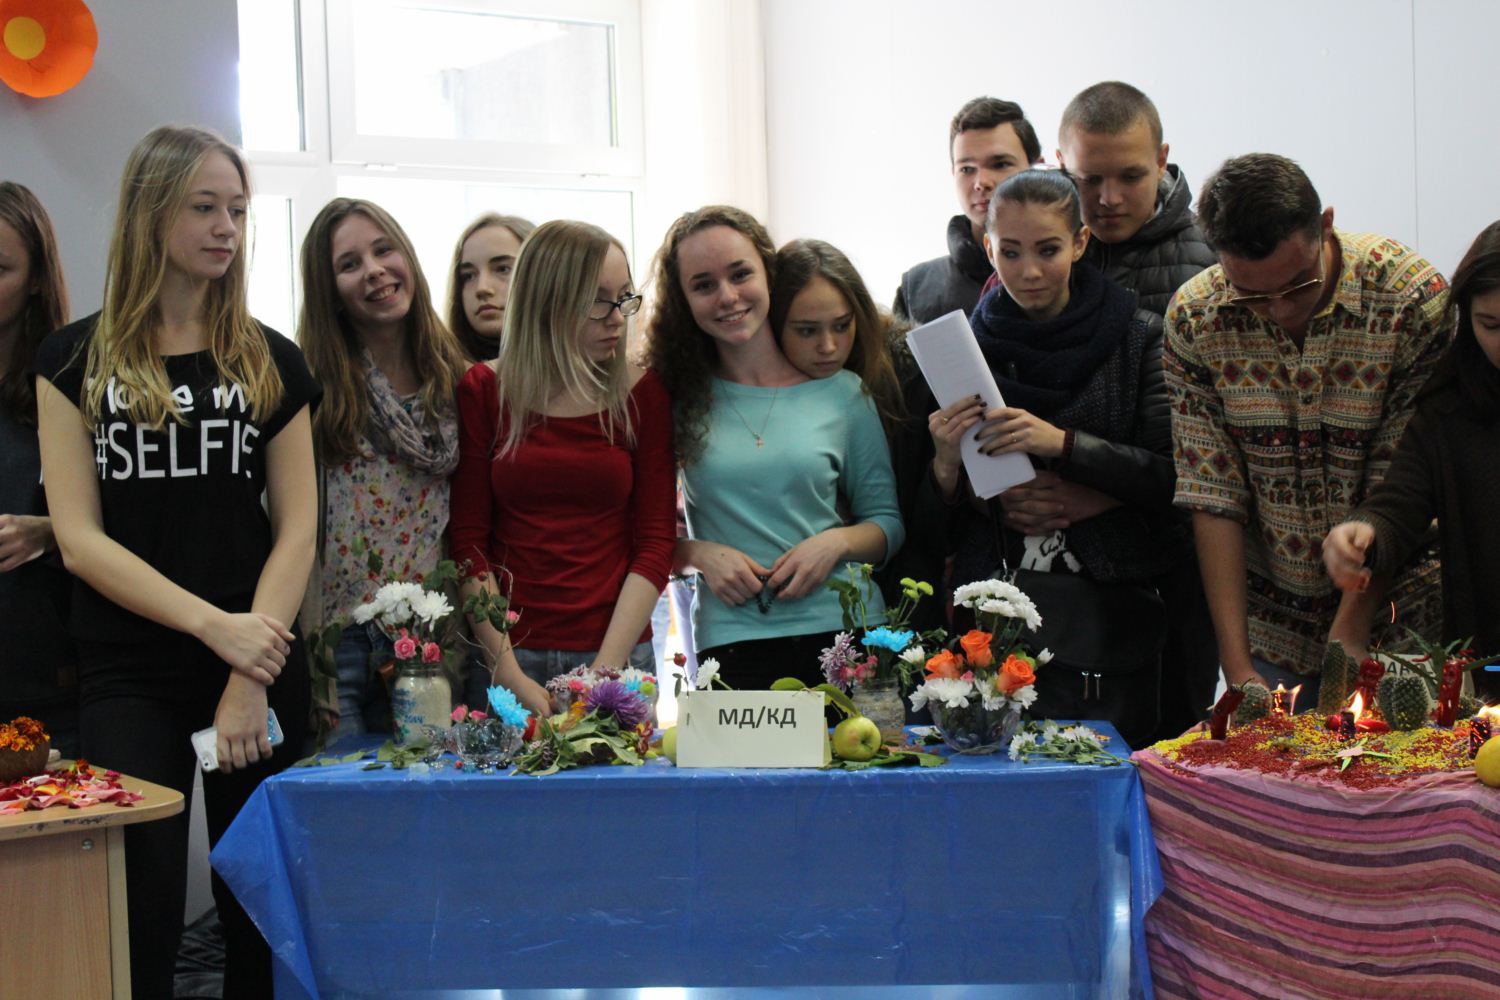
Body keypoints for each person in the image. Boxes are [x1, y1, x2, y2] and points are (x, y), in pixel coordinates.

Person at [34, 125, 319, 998]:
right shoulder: (72, 360)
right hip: (131, 669)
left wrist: (247, 666)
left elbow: (298, 530)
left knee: (256, 907)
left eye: (237, 209)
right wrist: (215, 629)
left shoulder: (270, 358)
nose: (226, 227)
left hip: (258, 662)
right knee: (140, 906)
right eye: (204, 208)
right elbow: (79, 541)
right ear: (151, 212)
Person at [1165, 153, 1448, 704]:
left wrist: (1351, 628)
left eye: (1299, 285)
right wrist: (1237, 666)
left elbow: (1402, 483)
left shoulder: (1409, 300)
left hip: (1404, 610)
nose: (1279, 309)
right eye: (1252, 294)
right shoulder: (1195, 318)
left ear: (1326, 226)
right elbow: (1212, 491)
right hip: (1273, 618)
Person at [923, 169, 1183, 747]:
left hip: (1112, 615)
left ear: (1081, 242)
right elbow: (931, 527)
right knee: (994, 772)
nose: (1030, 271)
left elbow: (1176, 478)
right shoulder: (962, 352)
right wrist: (947, 466)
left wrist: (1063, 447)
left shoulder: (1138, 336)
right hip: (991, 615)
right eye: (1010, 252)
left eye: (1048, 250)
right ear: (988, 247)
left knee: (1109, 767)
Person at [646, 206, 904, 690]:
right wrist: (698, 554)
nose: (727, 296)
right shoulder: (674, 398)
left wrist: (834, 543)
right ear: (683, 300)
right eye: (703, 285)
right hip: (733, 639)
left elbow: (887, 524)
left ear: (768, 272)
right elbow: (643, 537)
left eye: (740, 274)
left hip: (849, 631)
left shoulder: (843, 393)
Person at [1054, 80, 1219, 739]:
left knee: (1175, 739)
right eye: (1089, 179)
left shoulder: (1210, 263)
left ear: (1163, 159)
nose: (1109, 198)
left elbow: (1223, 445)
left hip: (1182, 557)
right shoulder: (1041, 254)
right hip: (1063, 563)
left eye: (1130, 176)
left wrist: (1106, 496)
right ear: (1059, 166)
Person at [448, 219, 674, 700]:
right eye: (597, 301)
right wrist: (509, 674)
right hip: (509, 654)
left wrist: (604, 672)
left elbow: (656, 542)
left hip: (617, 652)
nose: (617, 318)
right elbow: (469, 544)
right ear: (546, 301)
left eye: (624, 297)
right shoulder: (484, 390)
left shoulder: (643, 393)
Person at [297, 198, 472, 741]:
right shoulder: (311, 386)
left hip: (428, 639)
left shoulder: (461, 382)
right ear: (330, 291)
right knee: (338, 789)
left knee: (428, 787)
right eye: (349, 264)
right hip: (338, 641)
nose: (374, 270)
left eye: (383, 250)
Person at [1324, 220, 1500, 701]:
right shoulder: (1450, 411)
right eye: (1491, 325)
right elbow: (1399, 503)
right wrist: (1361, 534)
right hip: (1489, 678)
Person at [0, 181, 79, 756]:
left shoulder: (70, 385)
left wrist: (51, 532)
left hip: (47, 690)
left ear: (35, 280)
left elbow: (133, 523)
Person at [894, 97, 1042, 324]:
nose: (981, 182)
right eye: (967, 169)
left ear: (1037, 168)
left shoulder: (1078, 273)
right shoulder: (917, 290)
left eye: (1000, 164)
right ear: (953, 174)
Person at [770, 237, 905, 435]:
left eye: (841, 326)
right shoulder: (750, 385)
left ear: (859, 315)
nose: (828, 347)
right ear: (773, 325)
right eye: (807, 331)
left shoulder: (904, 374)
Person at [446, 213, 536, 362]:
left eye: (502, 269)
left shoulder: (575, 370)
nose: (482, 288)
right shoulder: (443, 373)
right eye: (468, 276)